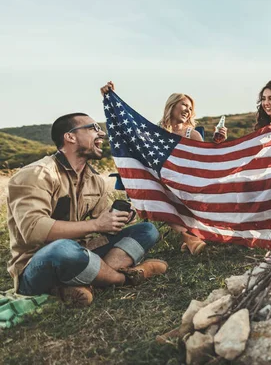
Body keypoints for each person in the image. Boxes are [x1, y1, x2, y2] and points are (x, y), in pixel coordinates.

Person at [6, 113, 167, 307]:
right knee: (63, 248)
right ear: (70, 137)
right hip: (38, 265)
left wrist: (117, 219)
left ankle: (83, 283)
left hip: (82, 253)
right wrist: (96, 224)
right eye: (93, 128)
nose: (102, 134)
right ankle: (122, 279)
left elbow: (101, 223)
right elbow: (32, 230)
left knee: (146, 231)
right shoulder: (36, 174)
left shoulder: (95, 179)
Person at [99, 82, 227, 255]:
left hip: (188, 182)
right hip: (163, 182)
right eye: (184, 105)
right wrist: (110, 98)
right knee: (155, 191)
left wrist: (218, 144)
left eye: (190, 108)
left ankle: (189, 236)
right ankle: (187, 237)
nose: (188, 110)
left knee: (164, 191)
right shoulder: (155, 133)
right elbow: (131, 137)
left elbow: (204, 163)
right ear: (172, 106)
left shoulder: (192, 134)